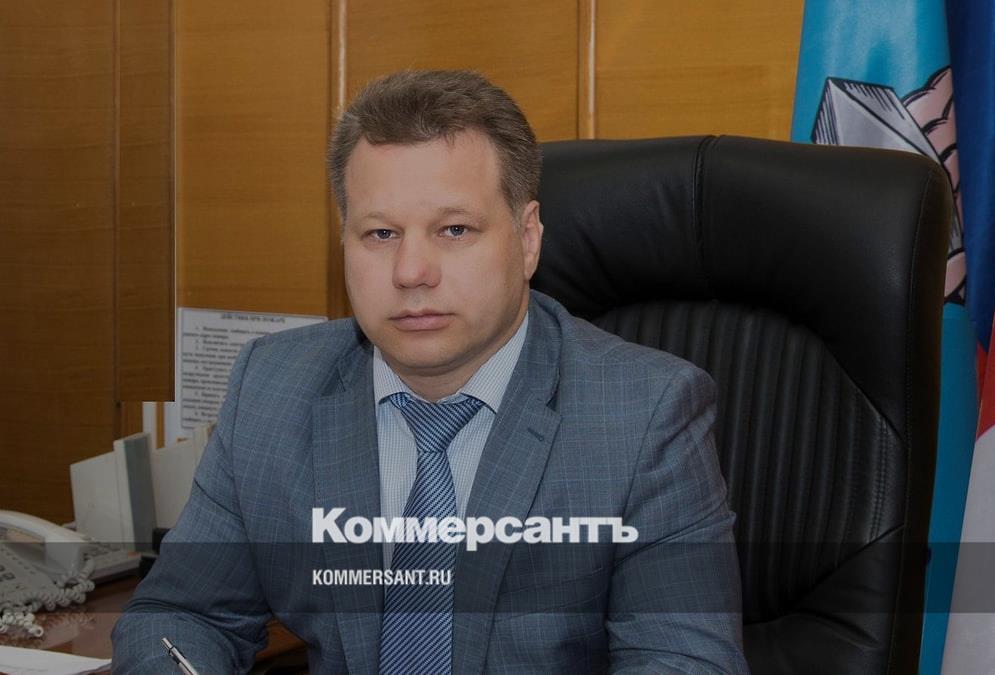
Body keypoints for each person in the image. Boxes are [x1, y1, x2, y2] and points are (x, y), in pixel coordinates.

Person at [111, 70, 746, 674]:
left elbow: (686, 659)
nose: (411, 272)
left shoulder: (644, 412)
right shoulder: (273, 386)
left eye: (454, 229)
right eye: (381, 234)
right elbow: (181, 614)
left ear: (527, 239)